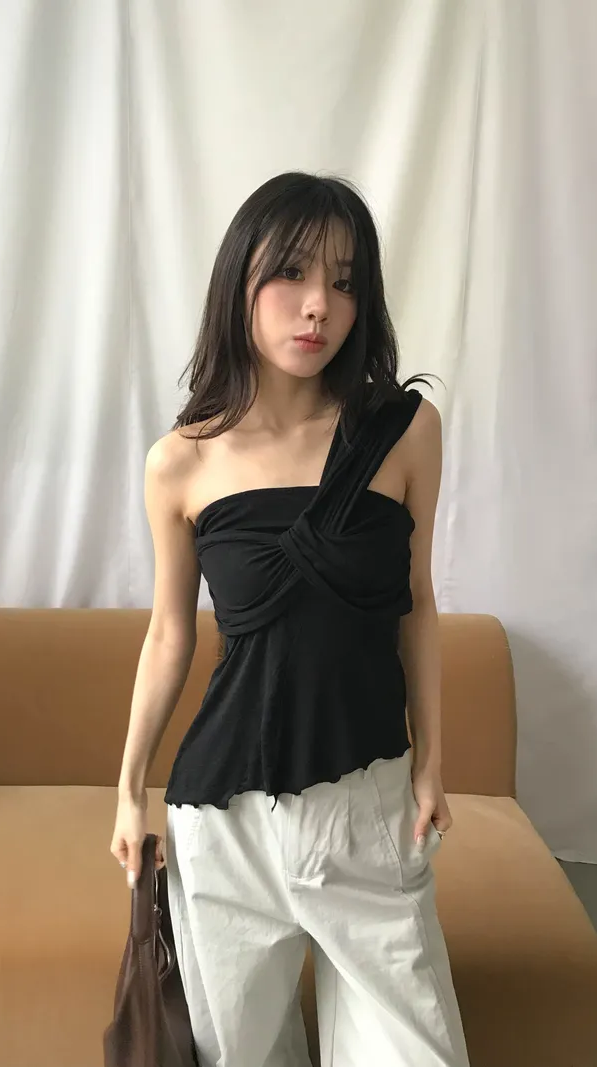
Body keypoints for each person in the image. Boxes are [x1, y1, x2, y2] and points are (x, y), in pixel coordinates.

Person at [110, 171, 470, 1067]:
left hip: (367, 805)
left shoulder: (405, 431)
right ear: (241, 280)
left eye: (345, 282)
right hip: (222, 822)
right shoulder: (180, 462)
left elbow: (418, 603)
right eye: (293, 274)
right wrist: (128, 783)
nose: (319, 306)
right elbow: (170, 633)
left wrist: (432, 761)